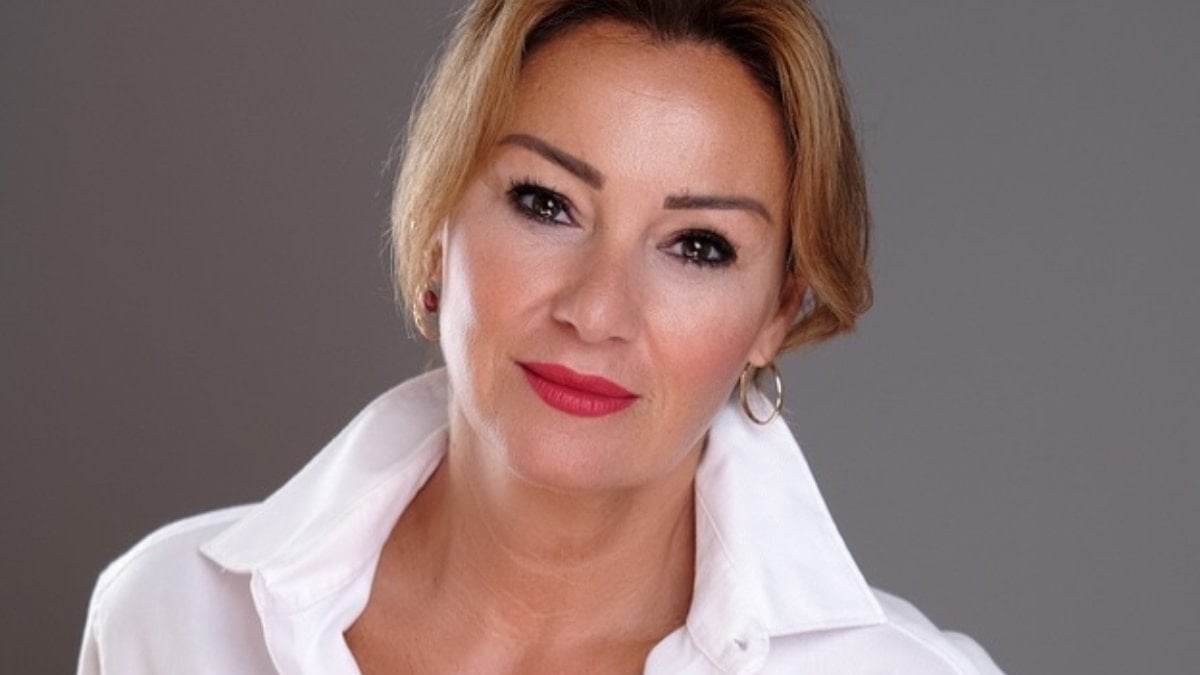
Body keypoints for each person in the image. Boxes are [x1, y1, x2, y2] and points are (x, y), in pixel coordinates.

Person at [78, 1, 1004, 672]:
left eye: (697, 245)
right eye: (546, 202)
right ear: (438, 223)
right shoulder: (167, 616)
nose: (597, 312)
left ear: (777, 312)